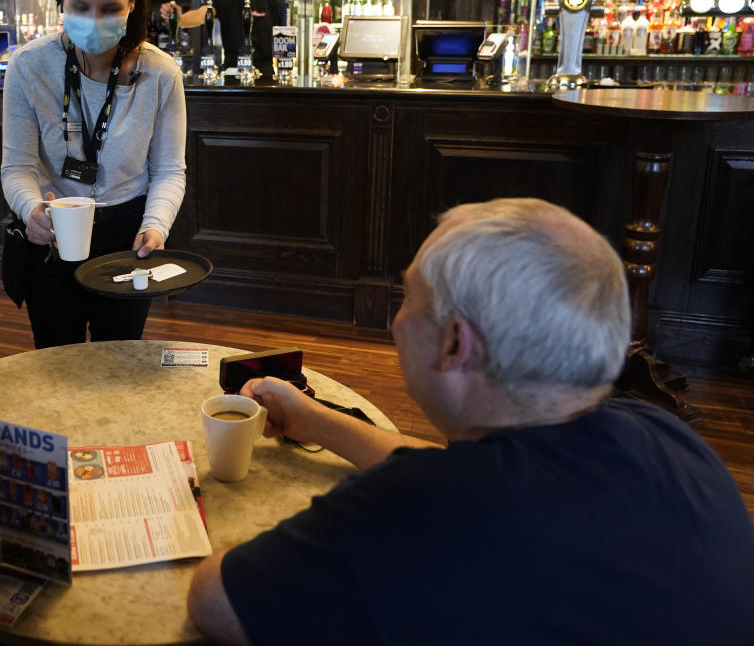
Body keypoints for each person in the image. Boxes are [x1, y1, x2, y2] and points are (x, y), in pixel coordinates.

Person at [187, 198, 754, 645]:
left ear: (455, 342)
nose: (395, 320)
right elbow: (470, 474)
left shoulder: (420, 508)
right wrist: (317, 421)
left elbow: (216, 602)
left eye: (408, 297)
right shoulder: (666, 437)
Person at [1, 0, 187, 348]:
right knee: (56, 362)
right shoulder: (29, 67)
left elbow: (169, 170)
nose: (94, 20)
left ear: (131, 7)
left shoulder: (160, 74)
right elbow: (17, 167)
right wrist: (30, 209)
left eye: (109, 8)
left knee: (118, 363)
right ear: (61, 3)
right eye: (81, 6)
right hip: (52, 231)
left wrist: (156, 225)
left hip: (126, 238)